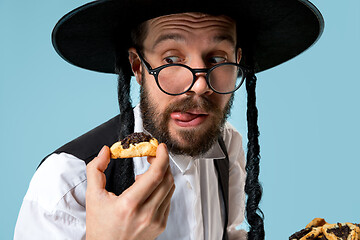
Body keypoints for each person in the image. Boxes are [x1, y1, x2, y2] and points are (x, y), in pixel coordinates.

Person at [14, 0, 324, 239]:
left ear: (237, 62)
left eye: (217, 59)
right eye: (172, 60)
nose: (199, 85)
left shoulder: (227, 144)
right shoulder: (66, 183)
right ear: (137, 67)